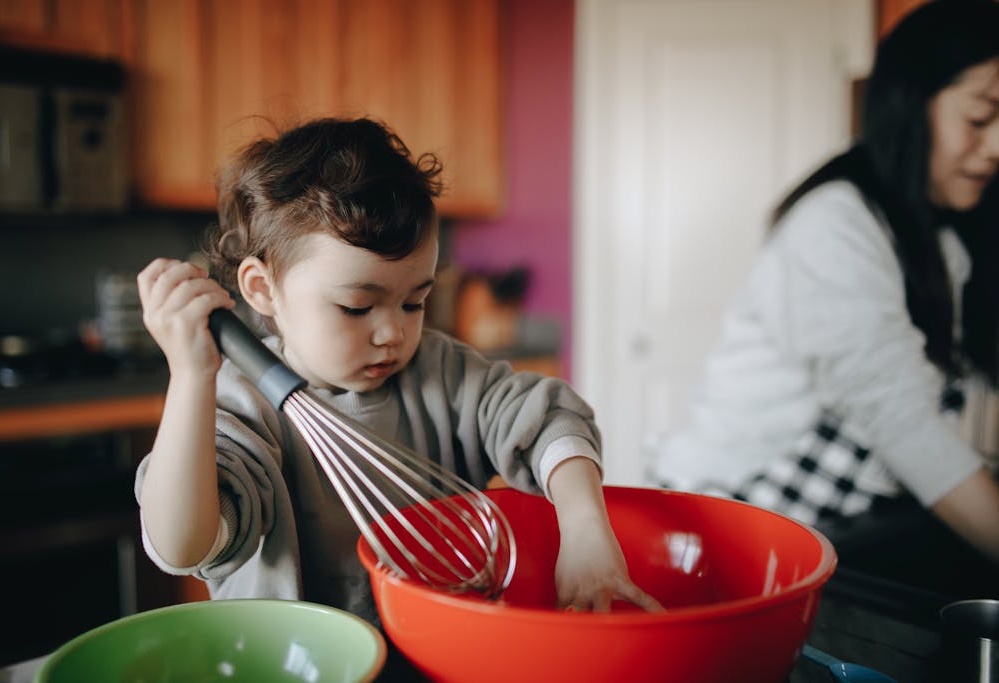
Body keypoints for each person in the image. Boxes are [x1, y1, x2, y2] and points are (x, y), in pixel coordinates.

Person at [135, 116, 660, 627]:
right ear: (261, 289)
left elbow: (551, 419)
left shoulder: (442, 374)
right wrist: (191, 378)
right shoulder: (241, 405)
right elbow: (184, 546)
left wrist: (586, 527)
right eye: (357, 308)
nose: (392, 333)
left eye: (414, 302)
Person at [646, 0, 999, 567]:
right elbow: (900, 421)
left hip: (827, 531)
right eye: (981, 119)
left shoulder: (945, 242)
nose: (997, 147)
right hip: (725, 526)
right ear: (911, 106)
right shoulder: (834, 226)